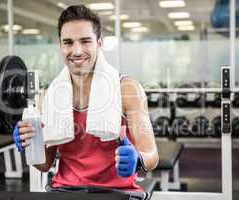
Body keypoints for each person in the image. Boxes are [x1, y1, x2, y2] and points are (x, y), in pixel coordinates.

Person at [13, 4, 158, 194]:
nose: (77, 51)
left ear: (99, 43)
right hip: (64, 191)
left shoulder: (127, 89)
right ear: (60, 45)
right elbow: (45, 164)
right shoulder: (50, 96)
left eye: (85, 41)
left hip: (116, 192)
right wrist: (30, 146)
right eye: (68, 42)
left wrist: (138, 159)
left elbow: (152, 156)